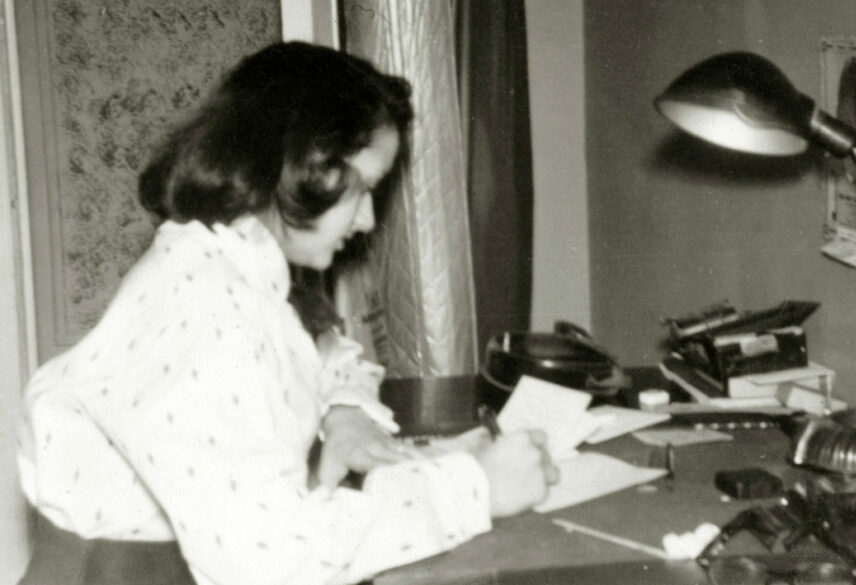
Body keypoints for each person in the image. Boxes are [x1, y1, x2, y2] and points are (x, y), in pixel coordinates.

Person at [16, 41, 558, 585]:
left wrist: (343, 413)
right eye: (363, 188)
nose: (369, 219)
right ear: (304, 168)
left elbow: (315, 361)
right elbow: (269, 562)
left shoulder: (228, 263)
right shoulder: (212, 310)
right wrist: (474, 488)